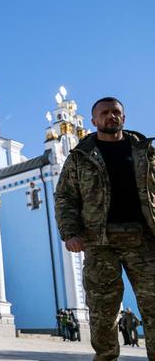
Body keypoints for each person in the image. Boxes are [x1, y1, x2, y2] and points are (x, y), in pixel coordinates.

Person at [55, 97, 155, 360]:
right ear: (94, 121)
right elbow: (65, 196)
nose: (111, 116)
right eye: (105, 113)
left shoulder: (144, 151)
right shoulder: (80, 157)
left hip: (143, 241)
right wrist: (70, 232)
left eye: (116, 112)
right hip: (100, 243)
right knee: (103, 312)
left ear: (124, 117)